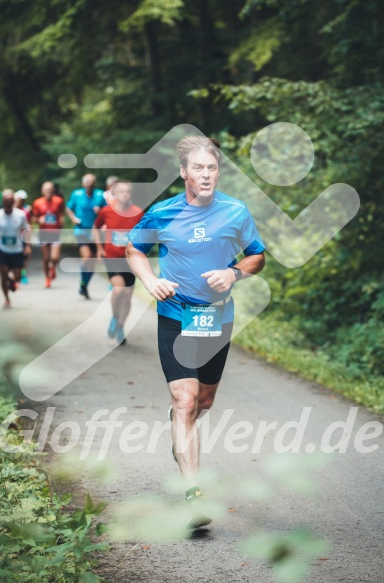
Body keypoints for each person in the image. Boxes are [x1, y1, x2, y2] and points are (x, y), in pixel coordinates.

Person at [127, 136, 265, 528]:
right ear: (184, 173)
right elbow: (134, 249)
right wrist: (151, 280)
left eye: (212, 168)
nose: (206, 175)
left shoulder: (235, 212)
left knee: (203, 401)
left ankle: (180, 431)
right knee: (184, 399)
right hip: (175, 314)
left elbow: (258, 256)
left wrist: (234, 272)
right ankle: (193, 495)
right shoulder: (163, 213)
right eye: (199, 168)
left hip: (217, 318)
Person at [93, 180, 143, 345]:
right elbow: (95, 227)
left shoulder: (137, 212)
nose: (125, 194)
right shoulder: (106, 211)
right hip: (112, 258)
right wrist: (99, 248)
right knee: (119, 290)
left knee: (128, 296)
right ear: (115, 194)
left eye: (128, 192)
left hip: (129, 260)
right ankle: (115, 317)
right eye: (122, 191)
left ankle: (121, 326)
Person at [66, 174, 106, 299]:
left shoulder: (100, 195)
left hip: (95, 232)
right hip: (81, 230)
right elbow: (68, 208)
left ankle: (84, 285)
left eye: (92, 181)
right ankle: (83, 280)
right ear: (83, 184)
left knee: (92, 262)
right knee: (87, 256)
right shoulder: (77, 194)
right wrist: (73, 218)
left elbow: (107, 212)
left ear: (95, 183)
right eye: (87, 181)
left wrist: (100, 213)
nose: (90, 183)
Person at [0, 190, 31, 308]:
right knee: (3, 274)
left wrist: (27, 245)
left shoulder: (20, 214)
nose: (7, 204)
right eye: (5, 202)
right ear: (2, 203)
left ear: (13, 202)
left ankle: (12, 280)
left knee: (18, 277)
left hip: (16, 249)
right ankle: (7, 299)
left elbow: (26, 229)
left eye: (10, 202)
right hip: (2, 249)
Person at [31, 182, 64, 288]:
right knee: (45, 258)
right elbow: (33, 218)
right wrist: (38, 219)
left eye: (50, 190)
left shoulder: (58, 201)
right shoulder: (37, 202)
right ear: (42, 191)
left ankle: (52, 267)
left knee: (54, 258)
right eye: (46, 190)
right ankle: (47, 278)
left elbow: (61, 213)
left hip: (55, 233)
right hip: (43, 233)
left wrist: (61, 221)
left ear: (53, 191)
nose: (49, 192)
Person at [14, 189, 32, 284]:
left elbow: (28, 226)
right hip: (13, 237)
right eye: (19, 199)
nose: (21, 201)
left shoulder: (26, 211)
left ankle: (23, 274)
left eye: (23, 200)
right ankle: (14, 275)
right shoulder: (10, 210)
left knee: (25, 256)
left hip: (23, 237)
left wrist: (28, 244)